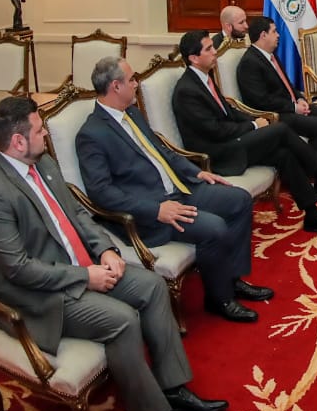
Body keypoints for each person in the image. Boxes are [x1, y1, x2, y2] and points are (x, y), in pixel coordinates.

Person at [0, 96, 227, 411]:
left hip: (78, 265)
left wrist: (104, 249)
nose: (46, 135)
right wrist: (85, 277)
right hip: (41, 294)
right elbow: (19, 269)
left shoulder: (41, 163)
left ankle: (173, 387)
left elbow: (76, 213)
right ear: (18, 141)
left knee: (152, 287)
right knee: (122, 319)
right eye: (40, 129)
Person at [75, 56, 270, 323]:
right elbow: (101, 193)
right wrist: (156, 210)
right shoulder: (91, 134)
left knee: (239, 199)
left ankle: (231, 280)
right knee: (214, 228)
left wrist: (197, 172)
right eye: (132, 79)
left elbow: (162, 151)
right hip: (153, 211)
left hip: (180, 189)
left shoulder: (131, 113)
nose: (137, 83)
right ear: (116, 86)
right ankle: (219, 299)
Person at [172, 29, 317, 239]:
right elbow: (215, 131)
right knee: (281, 129)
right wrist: (254, 126)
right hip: (218, 154)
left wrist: (252, 121)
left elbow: (229, 112)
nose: (215, 52)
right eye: (209, 49)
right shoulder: (187, 90)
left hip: (232, 141)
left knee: (285, 154)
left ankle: (312, 215)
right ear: (193, 57)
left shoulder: (204, 78)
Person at [237, 16, 317, 191]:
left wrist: (299, 98)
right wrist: (294, 107)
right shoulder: (250, 62)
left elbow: (287, 84)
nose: (278, 35)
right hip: (274, 115)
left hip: (291, 106)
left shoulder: (271, 56)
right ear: (263, 35)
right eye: (274, 31)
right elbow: (261, 101)